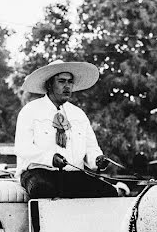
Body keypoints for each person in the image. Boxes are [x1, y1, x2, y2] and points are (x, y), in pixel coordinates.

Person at [15, 59, 117, 199]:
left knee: (109, 192)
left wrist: (97, 160)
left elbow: (91, 149)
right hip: (38, 173)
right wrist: (50, 158)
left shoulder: (78, 114)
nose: (67, 86)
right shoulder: (30, 111)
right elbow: (22, 148)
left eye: (70, 82)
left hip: (73, 175)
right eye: (62, 81)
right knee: (43, 189)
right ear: (49, 84)